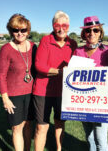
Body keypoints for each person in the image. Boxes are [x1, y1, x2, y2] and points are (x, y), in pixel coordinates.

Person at [32, 10, 77, 151]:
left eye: (65, 25)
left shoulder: (73, 44)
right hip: (43, 91)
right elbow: (39, 65)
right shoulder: (46, 40)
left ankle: (59, 149)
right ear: (53, 25)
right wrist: (60, 72)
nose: (61, 28)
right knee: (42, 126)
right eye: (58, 25)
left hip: (64, 91)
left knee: (60, 123)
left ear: (68, 26)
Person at [0, 14, 37, 151]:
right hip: (14, 95)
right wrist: (5, 98)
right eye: (15, 30)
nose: (19, 33)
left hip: (32, 93)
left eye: (23, 30)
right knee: (17, 127)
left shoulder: (33, 47)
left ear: (28, 31)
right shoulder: (6, 49)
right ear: (11, 31)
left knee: (28, 125)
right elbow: (1, 76)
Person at [74, 16, 108, 151]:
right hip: (84, 101)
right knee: (89, 137)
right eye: (88, 31)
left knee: (101, 140)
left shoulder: (107, 51)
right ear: (84, 34)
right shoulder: (78, 52)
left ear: (100, 32)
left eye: (95, 30)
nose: (92, 33)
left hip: (101, 102)